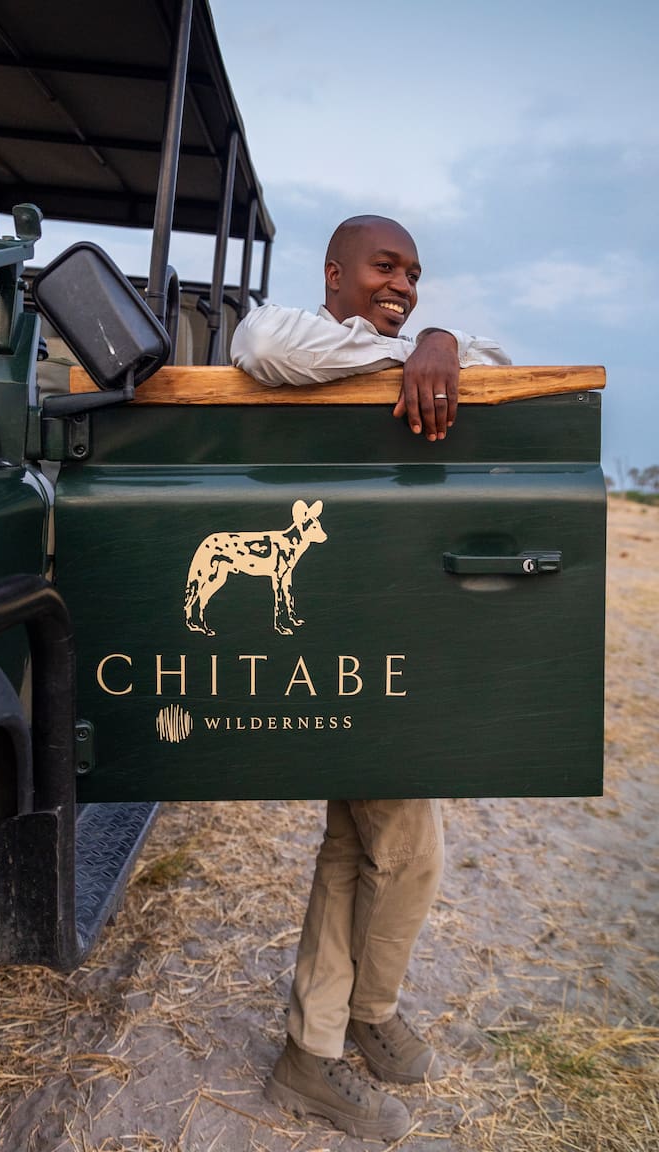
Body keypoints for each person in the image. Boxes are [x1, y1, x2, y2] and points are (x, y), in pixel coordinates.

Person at [230, 215, 511, 1142]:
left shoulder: (418, 354)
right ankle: (362, 1018)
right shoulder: (300, 341)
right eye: (386, 266)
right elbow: (259, 344)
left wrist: (438, 341)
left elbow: (499, 359)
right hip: (326, 631)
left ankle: (318, 1046)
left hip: (379, 626)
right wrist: (403, 356)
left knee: (353, 846)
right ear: (334, 272)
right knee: (411, 848)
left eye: (415, 274)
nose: (404, 285)